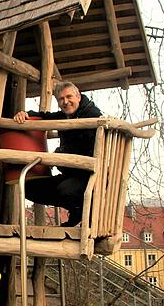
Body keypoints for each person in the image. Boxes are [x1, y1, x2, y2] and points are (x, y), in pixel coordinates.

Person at [12, 81, 102, 226]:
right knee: (30, 187)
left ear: (78, 96)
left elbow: (88, 149)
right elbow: (45, 117)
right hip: (70, 176)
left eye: (69, 97)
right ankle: (77, 209)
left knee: (66, 190)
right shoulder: (65, 116)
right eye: (61, 99)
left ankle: (83, 211)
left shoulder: (92, 115)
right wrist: (27, 114)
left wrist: (59, 154)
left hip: (90, 177)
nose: (66, 102)